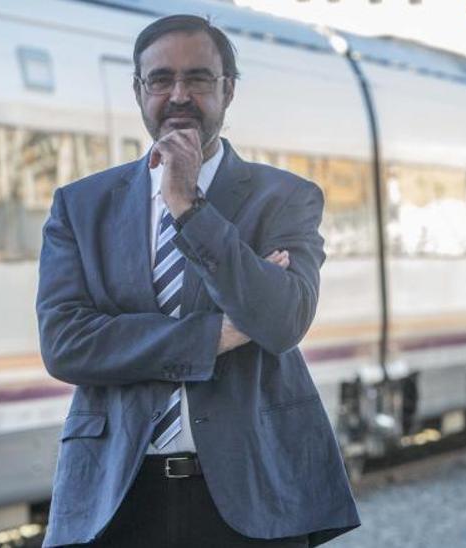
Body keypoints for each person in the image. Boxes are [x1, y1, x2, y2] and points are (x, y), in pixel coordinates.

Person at [35, 14, 361, 548]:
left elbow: (281, 322)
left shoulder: (283, 198)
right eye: (161, 79)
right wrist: (213, 336)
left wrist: (189, 207)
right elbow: (66, 345)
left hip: (252, 496)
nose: (179, 95)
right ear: (139, 92)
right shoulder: (81, 206)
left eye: (199, 79)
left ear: (228, 90)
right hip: (117, 497)